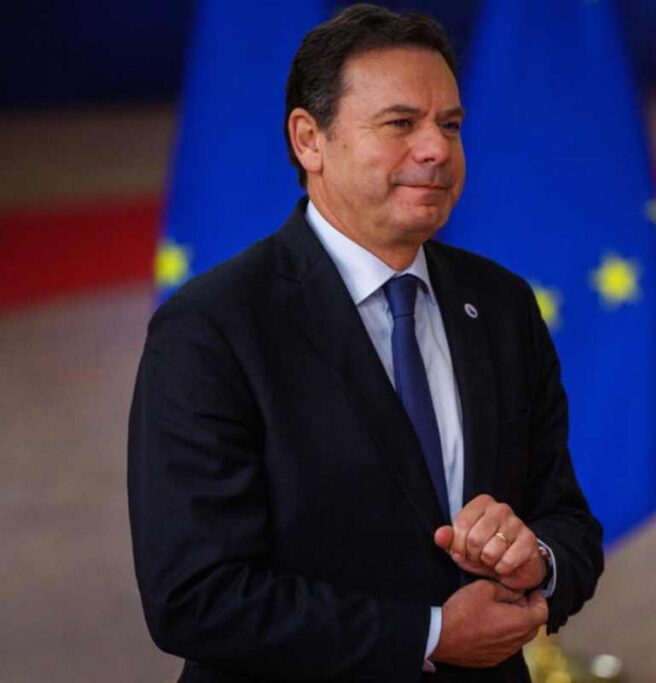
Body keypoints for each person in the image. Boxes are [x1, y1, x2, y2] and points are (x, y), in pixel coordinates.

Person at [127, 4, 603, 682]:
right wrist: (431, 635)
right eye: (401, 123)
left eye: (450, 125)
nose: (436, 149)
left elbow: (568, 521)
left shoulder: (501, 305)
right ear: (309, 140)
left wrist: (538, 562)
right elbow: (194, 595)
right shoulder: (212, 328)